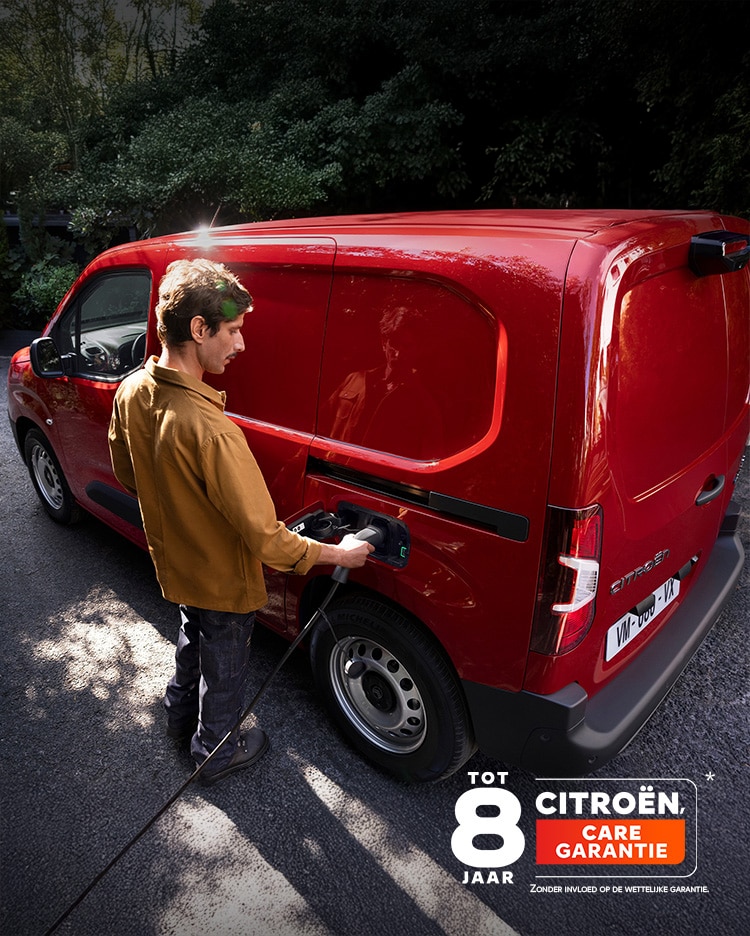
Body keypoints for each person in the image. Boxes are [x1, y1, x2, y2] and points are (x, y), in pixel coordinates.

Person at [108, 258, 373, 785]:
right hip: (225, 584)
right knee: (225, 664)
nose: (241, 343)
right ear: (198, 329)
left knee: (190, 633)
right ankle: (215, 749)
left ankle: (178, 711)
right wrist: (341, 555)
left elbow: (129, 474)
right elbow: (267, 542)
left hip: (178, 567)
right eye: (232, 331)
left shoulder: (132, 390)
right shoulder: (213, 432)